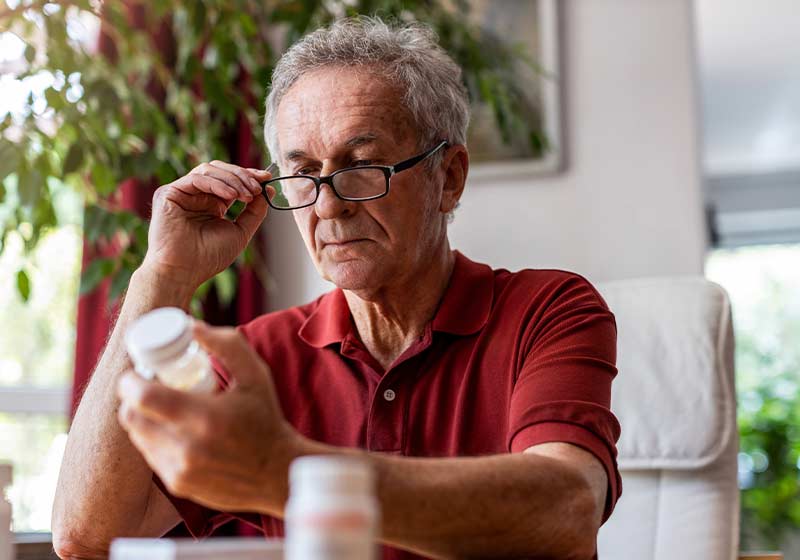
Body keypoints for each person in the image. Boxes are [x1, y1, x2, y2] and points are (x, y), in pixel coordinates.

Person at [52, 17, 621, 560]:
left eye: (363, 166)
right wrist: (163, 275)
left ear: (448, 178)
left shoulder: (549, 310)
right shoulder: (256, 357)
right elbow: (88, 535)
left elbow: (566, 511)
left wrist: (285, 470)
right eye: (303, 174)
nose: (328, 204)